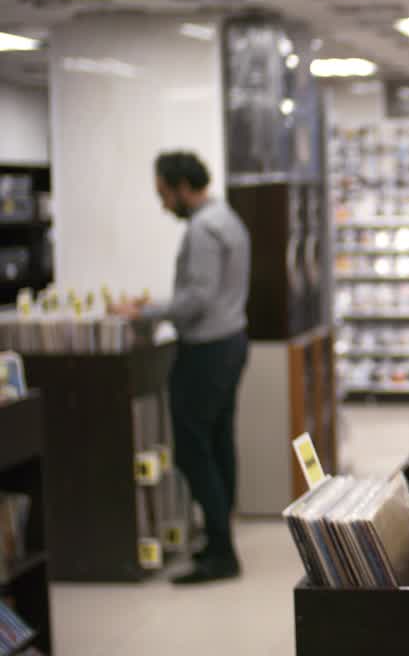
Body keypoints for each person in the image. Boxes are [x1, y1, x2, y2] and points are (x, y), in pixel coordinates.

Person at [110, 151, 251, 585]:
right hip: (231, 342)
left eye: (164, 194)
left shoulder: (203, 229)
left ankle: (221, 549)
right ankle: (219, 536)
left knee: (192, 449)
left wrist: (143, 310)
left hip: (206, 350)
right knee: (219, 441)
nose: (163, 204)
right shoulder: (228, 219)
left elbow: (197, 301)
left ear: (182, 186)